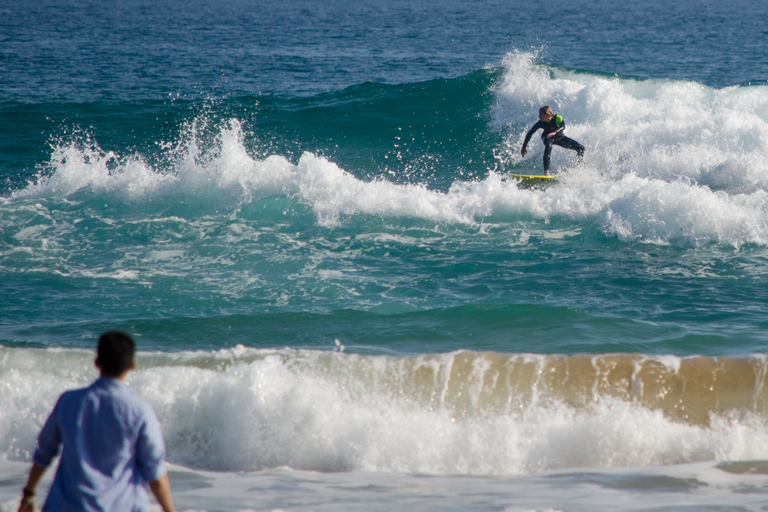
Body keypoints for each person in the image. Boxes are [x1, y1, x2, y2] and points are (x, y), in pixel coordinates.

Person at [18, 331, 175, 512]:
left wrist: (29, 494)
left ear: (97, 362)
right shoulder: (140, 411)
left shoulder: (68, 402)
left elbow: (44, 452)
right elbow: (154, 470)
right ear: (132, 365)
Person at [520, 105, 584, 175]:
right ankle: (546, 172)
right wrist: (524, 146)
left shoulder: (558, 118)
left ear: (547, 115)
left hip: (560, 137)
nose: (539, 116)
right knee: (548, 145)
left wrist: (555, 132)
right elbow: (530, 132)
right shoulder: (541, 122)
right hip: (547, 137)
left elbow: (563, 127)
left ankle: (578, 168)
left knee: (581, 148)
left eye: (541, 114)